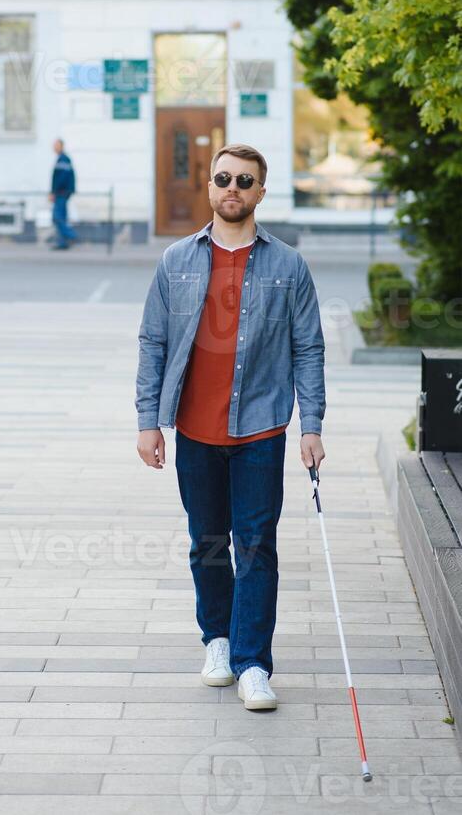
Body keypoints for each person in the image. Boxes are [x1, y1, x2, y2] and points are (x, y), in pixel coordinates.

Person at [134, 143, 326, 711]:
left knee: (257, 546)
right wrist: (150, 422)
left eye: (246, 180)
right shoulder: (176, 261)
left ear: (261, 192)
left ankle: (252, 664)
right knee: (209, 545)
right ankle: (216, 641)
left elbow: (308, 348)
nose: (233, 188)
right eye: (224, 178)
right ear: (210, 188)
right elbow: (153, 342)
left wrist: (310, 425)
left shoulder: (288, 266)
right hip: (195, 431)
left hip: (262, 431)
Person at [48, 138, 78, 250]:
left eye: (56, 145)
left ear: (61, 146)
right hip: (63, 192)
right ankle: (63, 242)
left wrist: (53, 192)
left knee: (57, 217)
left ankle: (71, 235)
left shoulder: (63, 159)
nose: (54, 147)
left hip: (61, 193)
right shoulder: (62, 159)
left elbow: (61, 179)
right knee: (62, 217)